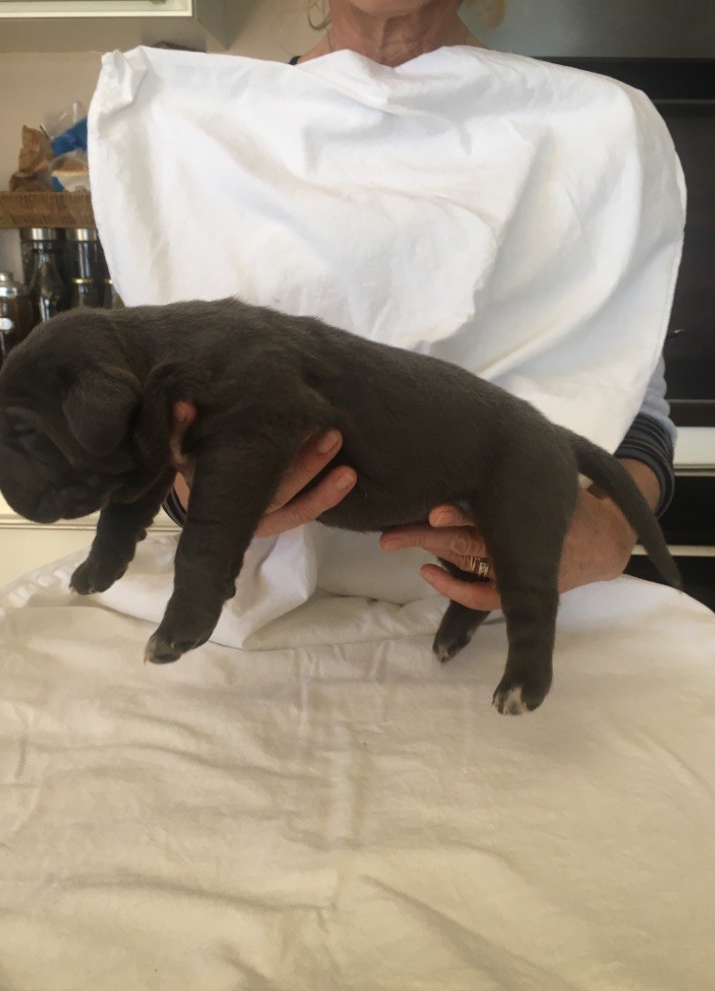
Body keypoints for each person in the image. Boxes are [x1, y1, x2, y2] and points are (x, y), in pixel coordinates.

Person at [164, 0, 678, 615]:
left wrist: (613, 528)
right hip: (253, 605)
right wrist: (193, 493)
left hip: (520, 606)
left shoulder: (589, 134)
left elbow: (633, 404)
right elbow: (157, 414)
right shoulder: (212, 141)